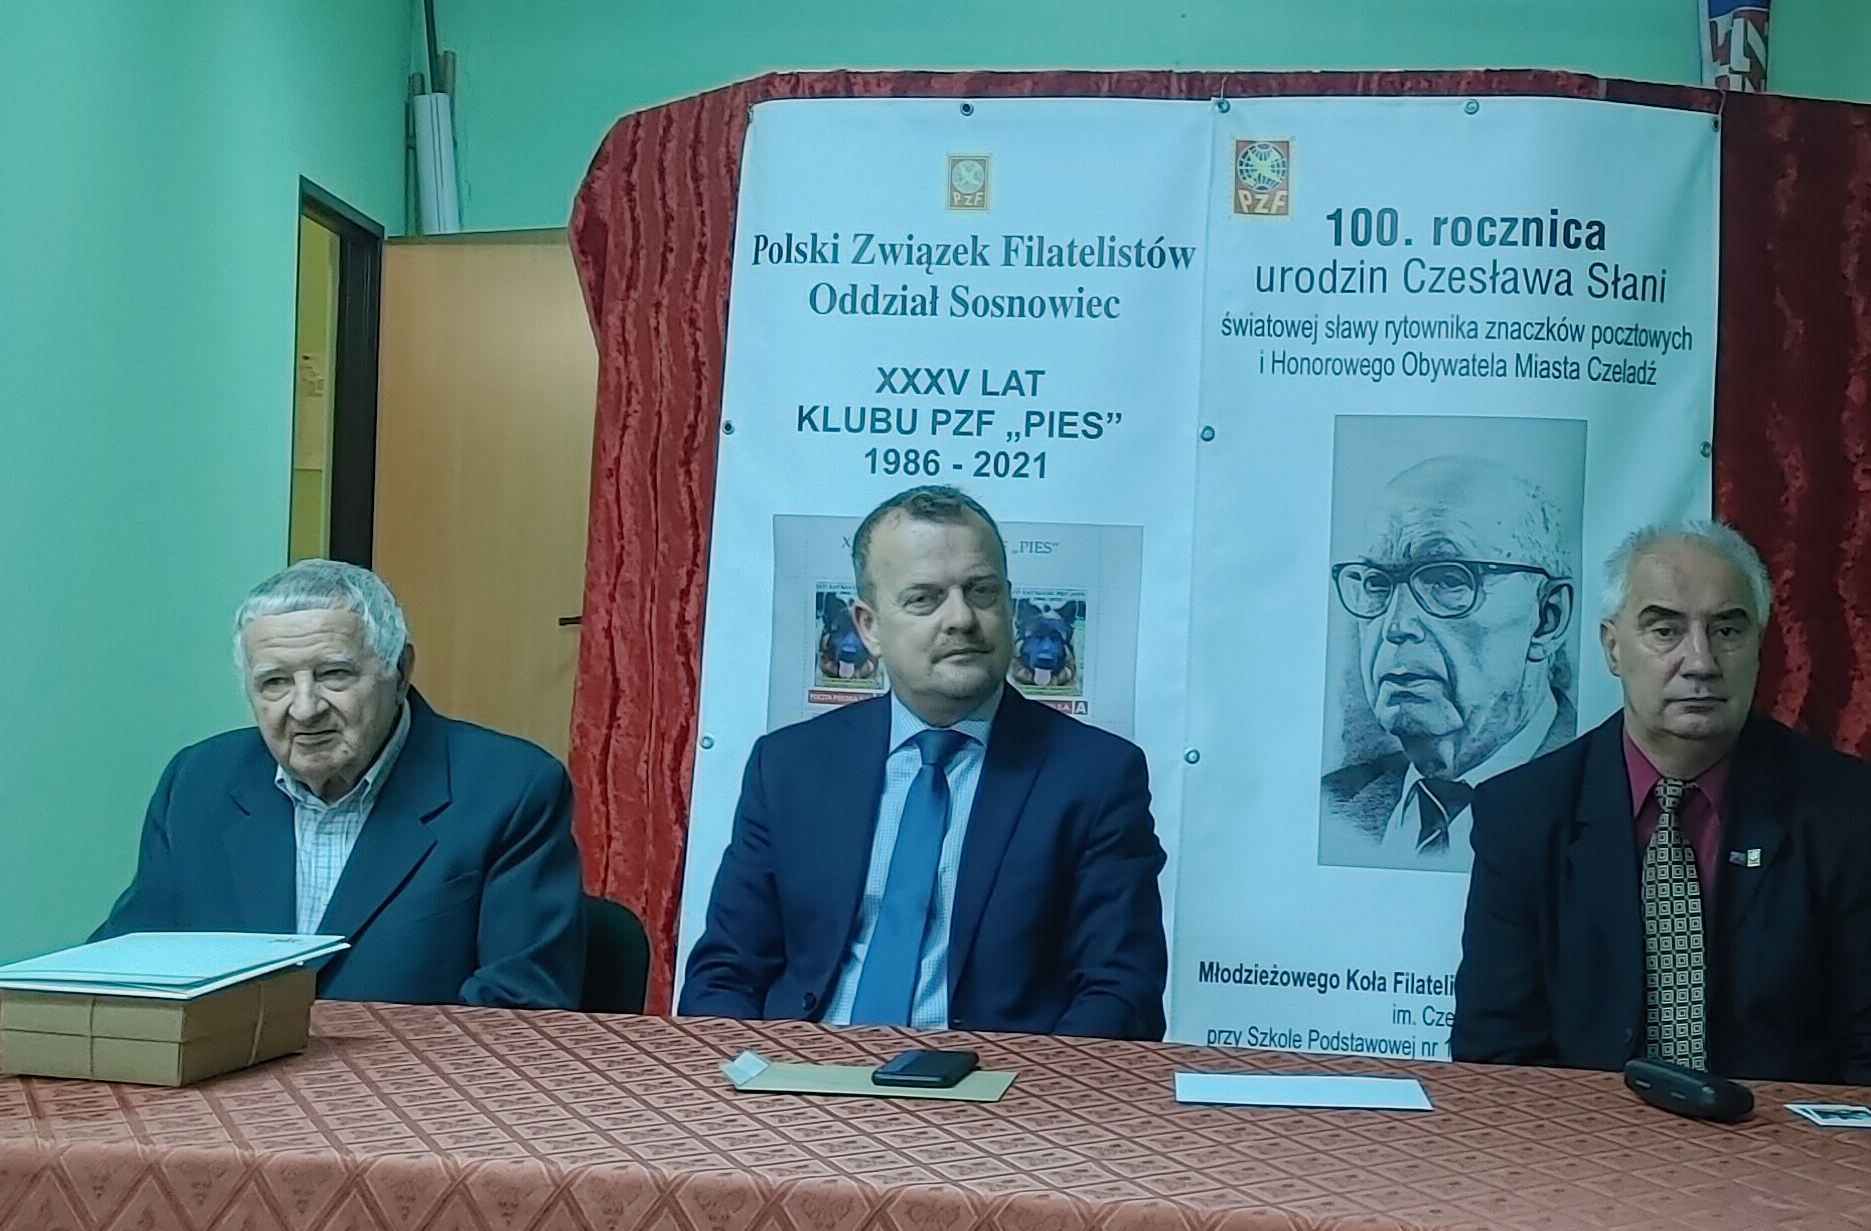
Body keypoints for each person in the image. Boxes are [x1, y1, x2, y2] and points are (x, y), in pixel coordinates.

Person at [1452, 519, 1871, 1088]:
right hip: (1587, 1138)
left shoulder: (1842, 810)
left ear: (1759, 645)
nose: (1701, 661)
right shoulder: (1522, 815)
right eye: (1665, 630)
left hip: (1782, 1138)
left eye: (1727, 630)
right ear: (1613, 647)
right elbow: (1495, 1056)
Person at [681, 485, 1166, 1036]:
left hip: (995, 1078)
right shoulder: (790, 766)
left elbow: (1121, 992)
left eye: (981, 591)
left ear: (1009, 605)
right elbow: (725, 973)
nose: (961, 618)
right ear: (869, 627)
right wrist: (757, 1075)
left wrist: (1023, 1086)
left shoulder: (1096, 776)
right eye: (924, 598)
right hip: (804, 1068)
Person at [94, 559, 586, 1007]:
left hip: (415, 1076)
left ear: (399, 671)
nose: (305, 708)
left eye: (333, 674)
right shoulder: (198, 782)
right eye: (275, 682)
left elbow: (519, 1005)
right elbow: (126, 967)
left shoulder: (511, 788)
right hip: (225, 1073)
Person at [1320, 455, 1581, 870]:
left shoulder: (1604, 802)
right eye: (1376, 584)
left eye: (1448, 580)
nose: (1396, 626)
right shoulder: (1336, 806)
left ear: (1547, 619)